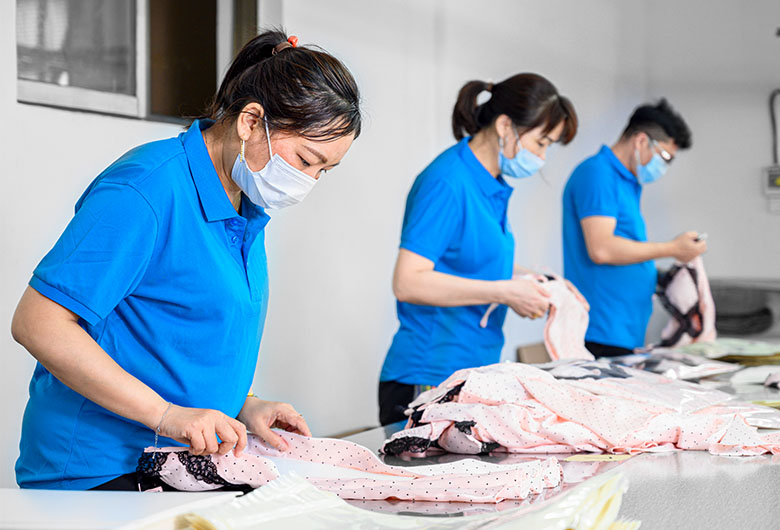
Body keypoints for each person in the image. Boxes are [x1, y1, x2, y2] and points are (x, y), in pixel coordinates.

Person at [11, 29, 361, 490]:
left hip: (180, 461)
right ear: (251, 121)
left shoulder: (243, 204)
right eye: (306, 160)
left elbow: (181, 328)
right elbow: (38, 323)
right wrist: (166, 415)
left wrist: (243, 403)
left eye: (324, 171)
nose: (309, 181)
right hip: (101, 471)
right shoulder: (147, 189)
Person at [378, 73, 583, 425]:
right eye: (541, 143)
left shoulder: (491, 184)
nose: (542, 157)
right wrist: (505, 292)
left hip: (473, 369)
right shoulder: (447, 182)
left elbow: (470, 261)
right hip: (429, 374)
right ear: (505, 125)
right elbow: (408, 282)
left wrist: (539, 282)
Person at [562, 99, 706, 358]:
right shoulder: (597, 174)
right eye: (664, 157)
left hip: (625, 329)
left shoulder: (628, 182)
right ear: (640, 141)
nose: (663, 167)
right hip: (600, 330)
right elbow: (602, 249)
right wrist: (673, 248)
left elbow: (625, 246)